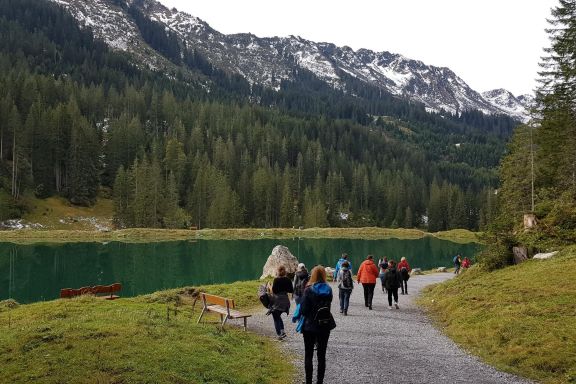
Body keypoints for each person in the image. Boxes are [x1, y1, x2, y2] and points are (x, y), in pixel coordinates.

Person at [299, 265, 334, 384]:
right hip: (325, 325)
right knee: (321, 355)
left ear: (313, 275)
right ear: (324, 275)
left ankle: (308, 381)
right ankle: (320, 381)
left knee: (308, 354)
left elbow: (303, 310)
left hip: (310, 326)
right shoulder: (329, 289)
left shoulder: (308, 290)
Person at [271, 265, 294, 340]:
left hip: (278, 300)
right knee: (278, 315)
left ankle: (280, 334)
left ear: (278, 271)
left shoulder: (276, 280)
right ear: (284, 271)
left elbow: (274, 291)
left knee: (275, 316)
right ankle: (282, 331)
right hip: (285, 300)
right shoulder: (288, 280)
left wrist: (270, 287)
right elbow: (291, 290)